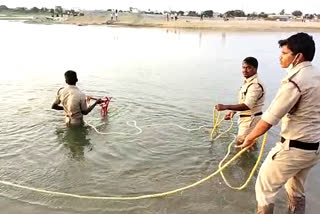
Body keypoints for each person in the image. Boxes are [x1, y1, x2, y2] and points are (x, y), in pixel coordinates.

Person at [239, 33, 320, 214]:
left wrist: (249, 138)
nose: (280, 57)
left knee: (264, 188)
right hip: (313, 148)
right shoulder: (316, 75)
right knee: (295, 189)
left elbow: (270, 118)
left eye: (284, 53)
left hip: (294, 148)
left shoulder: (295, 81)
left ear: (297, 56)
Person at [215, 57, 265, 145]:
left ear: (255, 69)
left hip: (250, 121)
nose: (245, 70)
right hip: (246, 119)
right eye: (243, 67)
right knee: (247, 146)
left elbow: (247, 105)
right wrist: (233, 112)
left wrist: (225, 106)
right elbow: (243, 101)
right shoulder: (248, 82)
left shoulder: (255, 85)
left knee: (241, 145)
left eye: (248, 68)